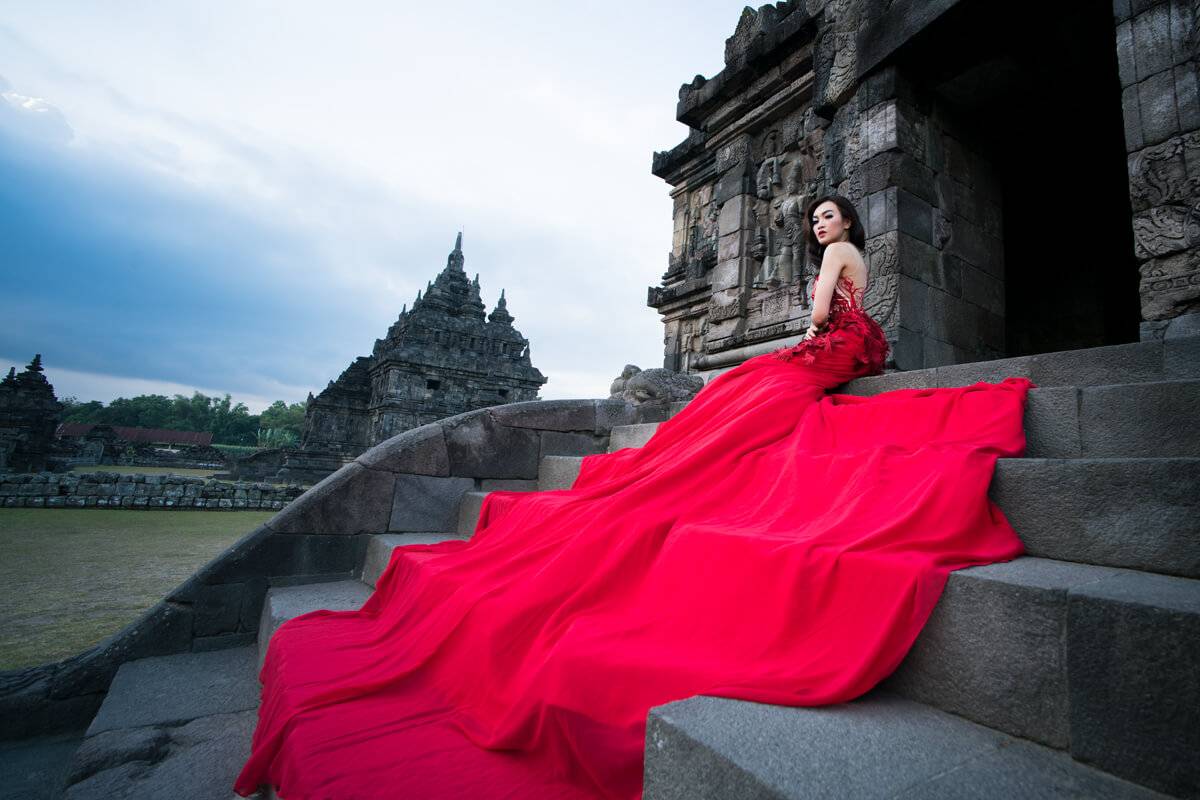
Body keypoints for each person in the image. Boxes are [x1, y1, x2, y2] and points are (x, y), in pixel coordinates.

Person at [235, 195, 1035, 800]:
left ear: (846, 222)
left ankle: (692, 446)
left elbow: (823, 315)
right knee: (749, 389)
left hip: (835, 344)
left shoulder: (837, 258)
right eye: (818, 219)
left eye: (829, 215)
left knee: (750, 384)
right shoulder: (855, 253)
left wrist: (809, 329)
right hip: (854, 346)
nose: (822, 226)